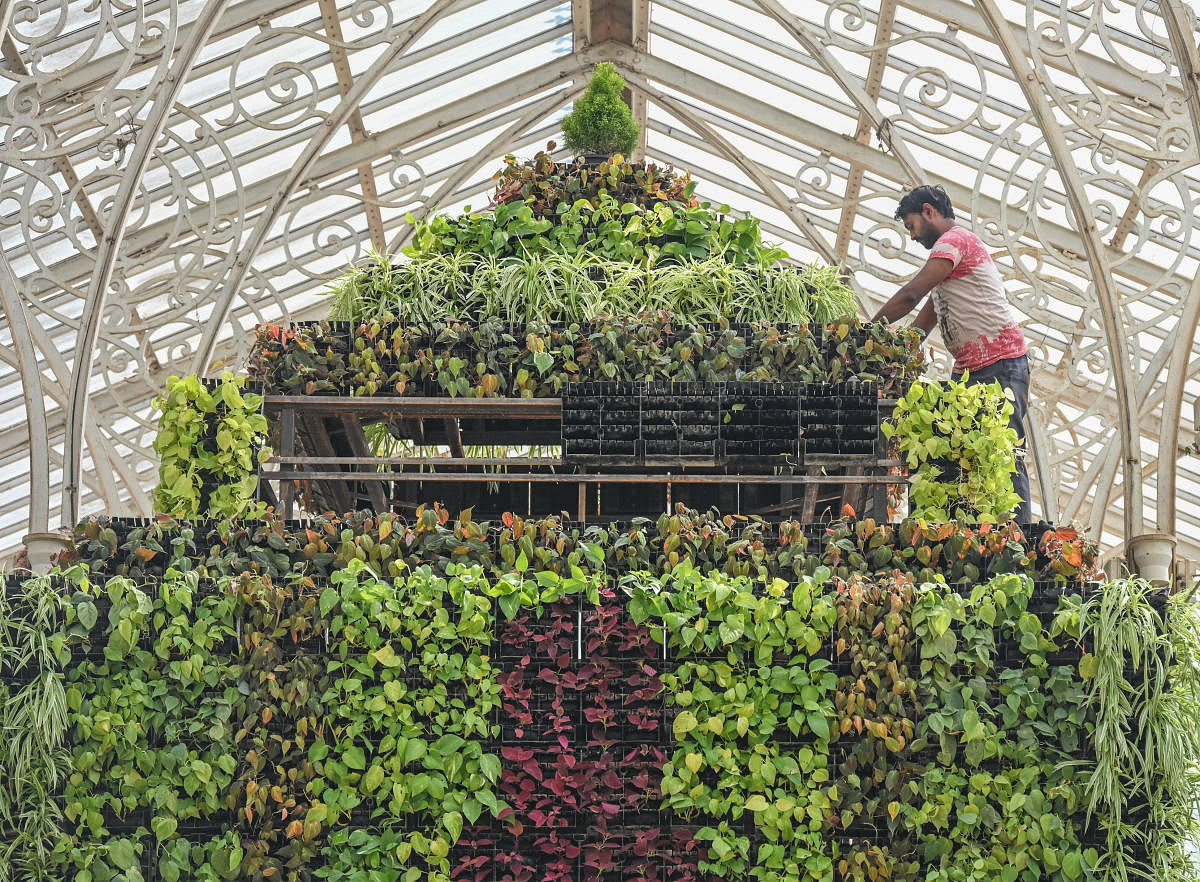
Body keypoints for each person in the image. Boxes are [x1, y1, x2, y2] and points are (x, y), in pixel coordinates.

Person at [872, 184, 1031, 523]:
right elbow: (924, 320)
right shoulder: (948, 269)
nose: (913, 237)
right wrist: (899, 352)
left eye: (912, 226)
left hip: (1001, 362)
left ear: (929, 212)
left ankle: (1021, 536)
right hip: (971, 371)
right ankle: (974, 529)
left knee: (1005, 451)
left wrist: (868, 331)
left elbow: (911, 295)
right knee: (966, 455)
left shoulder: (954, 242)